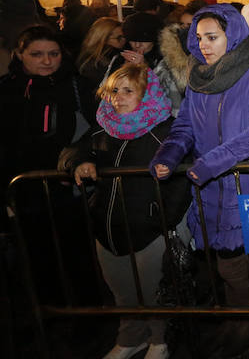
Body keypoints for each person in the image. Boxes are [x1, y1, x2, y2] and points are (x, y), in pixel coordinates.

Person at [150, 4, 249, 358]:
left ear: (232, 34)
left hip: (245, 181)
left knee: (232, 259)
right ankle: (247, 314)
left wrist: (214, 161)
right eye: (198, 37)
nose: (203, 44)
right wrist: (168, 156)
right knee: (225, 258)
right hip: (209, 184)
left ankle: (246, 320)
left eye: (212, 37)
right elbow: (185, 127)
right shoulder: (199, 77)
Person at [72, 64, 191, 359]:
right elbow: (73, 150)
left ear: (147, 94)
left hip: (148, 229)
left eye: (128, 91)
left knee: (154, 289)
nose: (117, 98)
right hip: (107, 227)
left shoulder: (165, 131)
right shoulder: (103, 126)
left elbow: (181, 182)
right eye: (114, 90)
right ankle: (130, 338)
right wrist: (79, 162)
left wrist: (161, 220)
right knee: (121, 289)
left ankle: (159, 339)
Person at [0, 26, 93, 302]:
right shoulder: (7, 89)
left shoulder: (77, 86)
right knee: (35, 258)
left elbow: (98, 129)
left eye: (53, 54)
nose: (46, 61)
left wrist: (81, 156)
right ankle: (47, 314)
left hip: (68, 190)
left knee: (78, 255)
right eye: (37, 54)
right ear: (20, 54)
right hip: (22, 190)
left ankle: (85, 314)